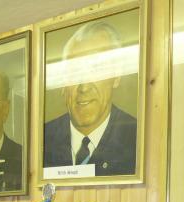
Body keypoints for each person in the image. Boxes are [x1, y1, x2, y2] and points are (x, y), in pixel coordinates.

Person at [43, 20, 137, 176]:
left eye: (95, 69)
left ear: (116, 76)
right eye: (74, 72)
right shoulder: (42, 139)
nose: (84, 87)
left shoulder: (137, 140)